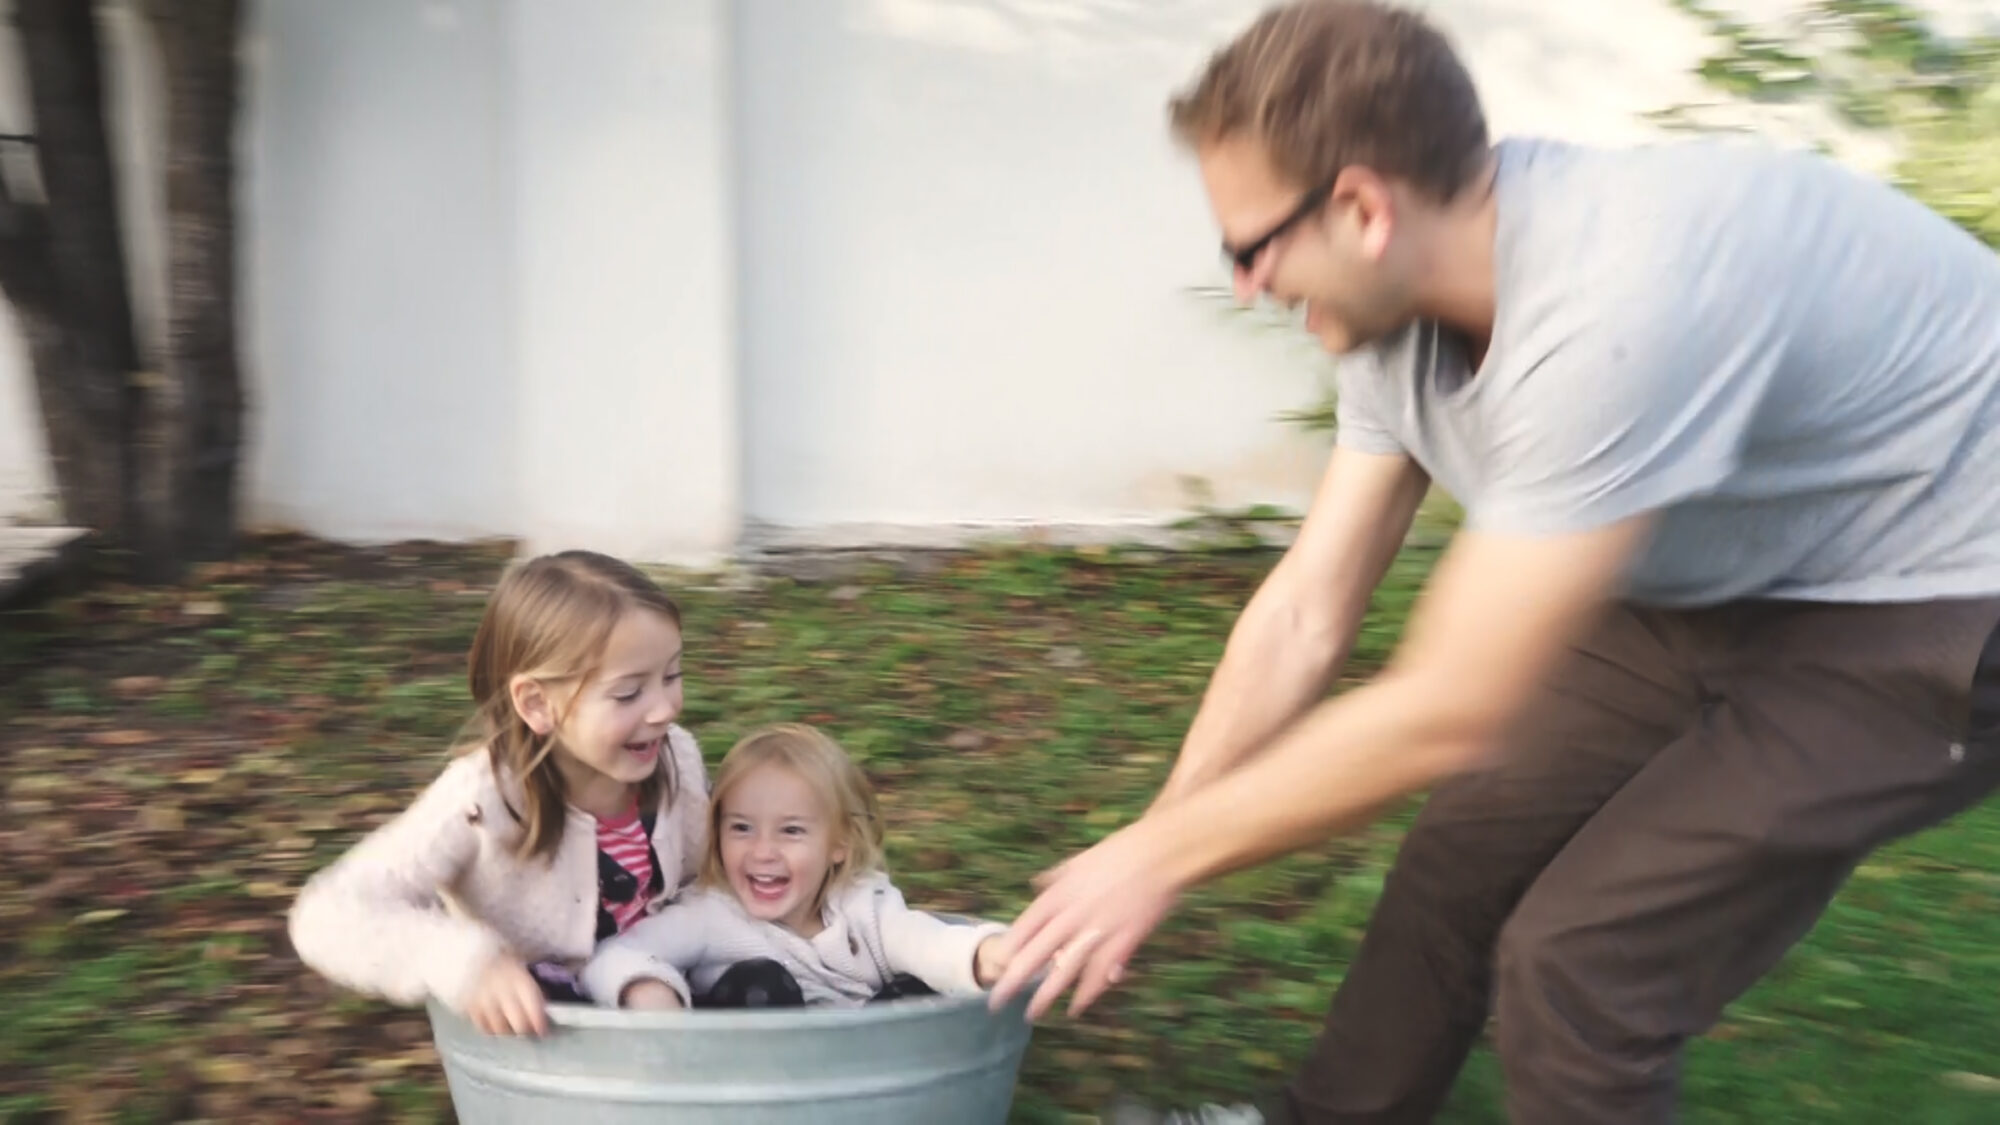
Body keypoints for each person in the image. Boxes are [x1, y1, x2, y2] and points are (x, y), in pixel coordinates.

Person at [983, 1, 2000, 1122]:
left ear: (1361, 206)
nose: (1241, 286)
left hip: (1939, 593)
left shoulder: (1610, 306)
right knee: (1461, 858)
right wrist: (1158, 835)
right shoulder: (1393, 312)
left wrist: (1167, 858)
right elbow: (1305, 612)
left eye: (1246, 247)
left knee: (1582, 965)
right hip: (1726, 563)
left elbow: (1449, 706)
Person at [289, 550, 711, 1037]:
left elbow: (712, 881)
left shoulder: (676, 760)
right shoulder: (479, 800)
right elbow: (330, 913)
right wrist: (466, 964)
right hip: (548, 1037)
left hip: (665, 1001)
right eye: (628, 693)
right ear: (537, 703)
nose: (665, 708)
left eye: (672, 676)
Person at [583, 722, 1012, 1009]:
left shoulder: (864, 905)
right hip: (747, 1084)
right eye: (742, 828)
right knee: (761, 982)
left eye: (791, 831)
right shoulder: (711, 915)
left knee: (923, 989)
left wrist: (986, 955)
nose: (763, 851)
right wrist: (648, 991)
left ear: (838, 844)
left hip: (857, 1074)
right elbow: (614, 954)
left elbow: (922, 940)